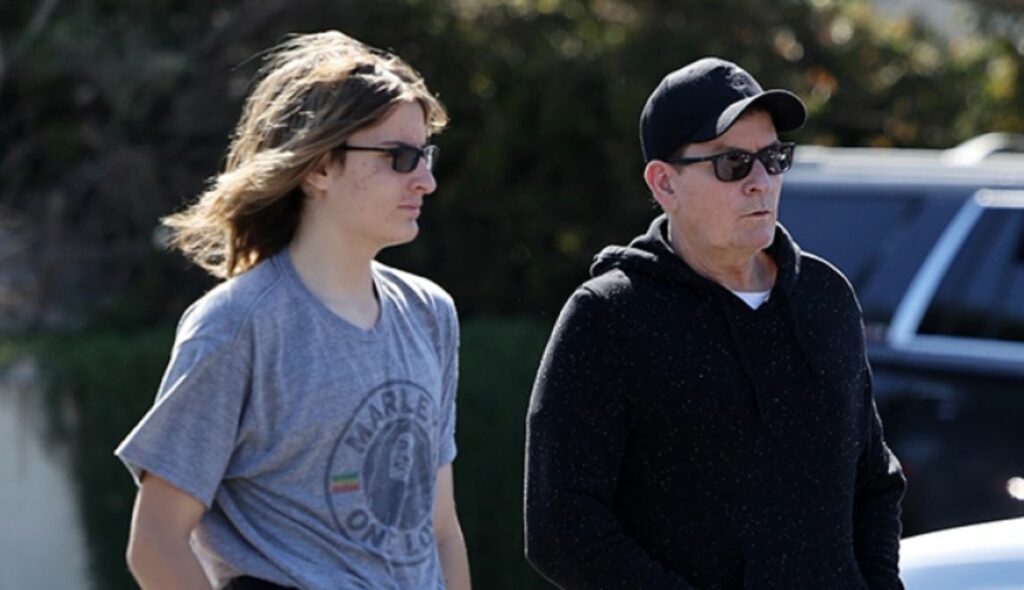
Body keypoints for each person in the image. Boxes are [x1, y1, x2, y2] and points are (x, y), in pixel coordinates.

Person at [524, 57, 905, 589]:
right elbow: (560, 527)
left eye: (773, 158)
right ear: (664, 184)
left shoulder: (825, 297)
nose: (761, 183)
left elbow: (875, 482)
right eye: (733, 164)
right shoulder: (608, 317)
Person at [115, 31, 470, 590]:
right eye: (399, 157)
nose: (425, 180)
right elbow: (155, 544)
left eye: (425, 155)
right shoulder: (235, 326)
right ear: (318, 168)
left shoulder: (431, 313)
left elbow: (441, 531)